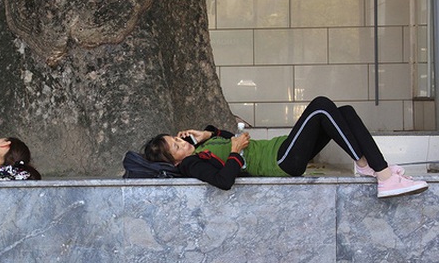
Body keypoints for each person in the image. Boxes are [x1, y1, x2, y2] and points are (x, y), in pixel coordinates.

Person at [143, 96, 428, 199]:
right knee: (320, 107)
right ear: (173, 160)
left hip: (282, 148)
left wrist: (206, 134)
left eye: (178, 138)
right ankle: (384, 176)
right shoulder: (192, 165)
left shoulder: (201, 148)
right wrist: (234, 151)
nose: (181, 142)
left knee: (346, 111)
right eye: (176, 145)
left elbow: (228, 137)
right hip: (281, 162)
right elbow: (223, 181)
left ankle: (367, 165)